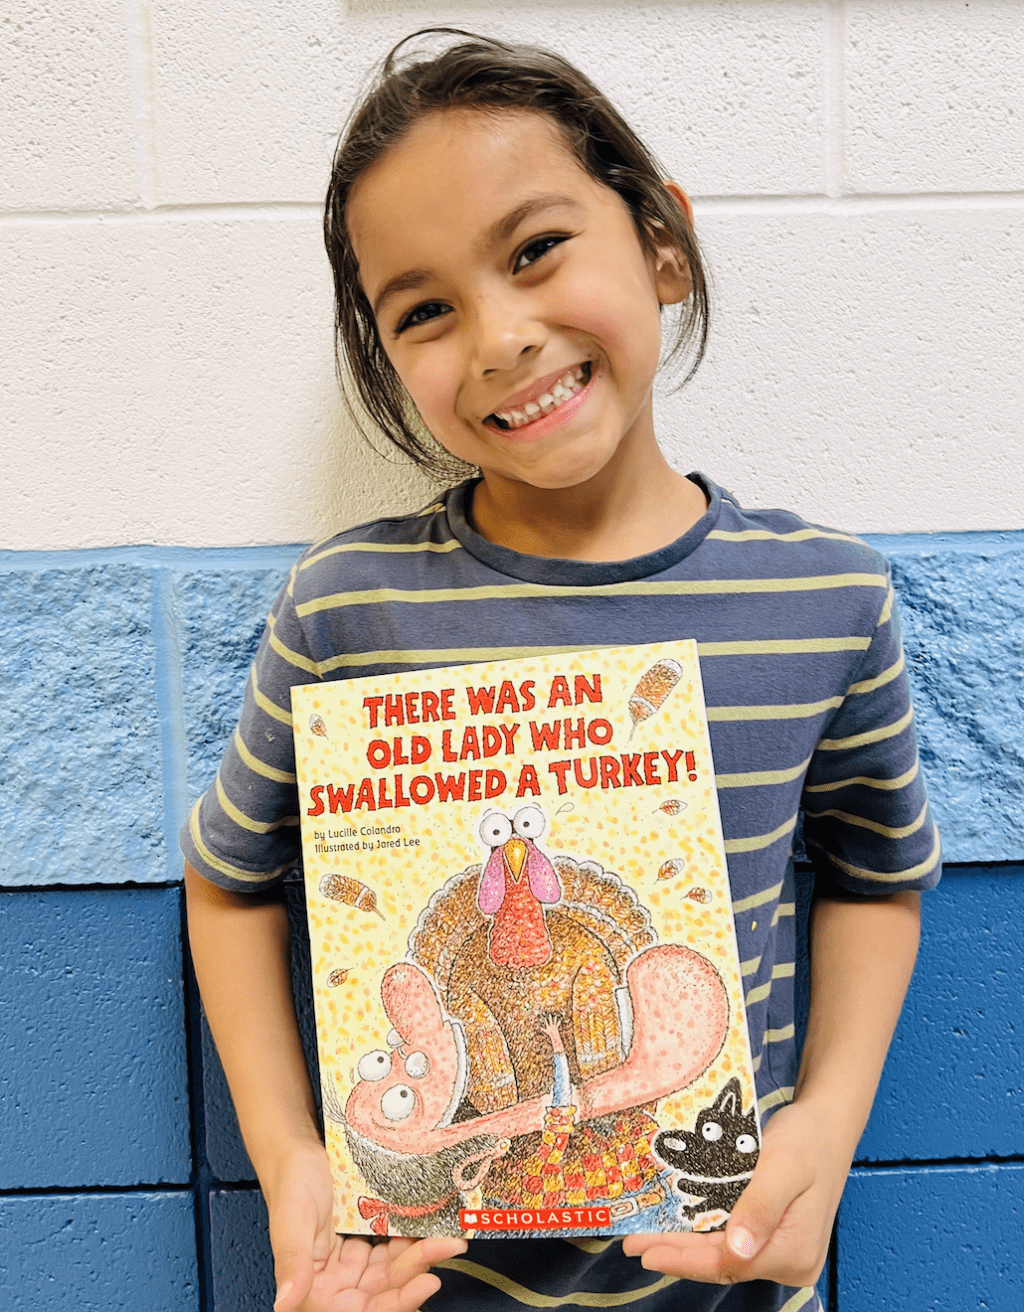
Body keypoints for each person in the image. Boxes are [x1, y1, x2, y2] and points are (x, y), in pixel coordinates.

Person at [182, 28, 940, 1312]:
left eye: (536, 250)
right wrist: (290, 1157)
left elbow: (876, 875)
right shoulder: (346, 610)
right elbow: (230, 882)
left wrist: (825, 1124)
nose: (498, 335)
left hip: (727, 1281)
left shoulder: (823, 597)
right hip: (416, 1281)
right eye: (423, 311)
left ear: (662, 244)